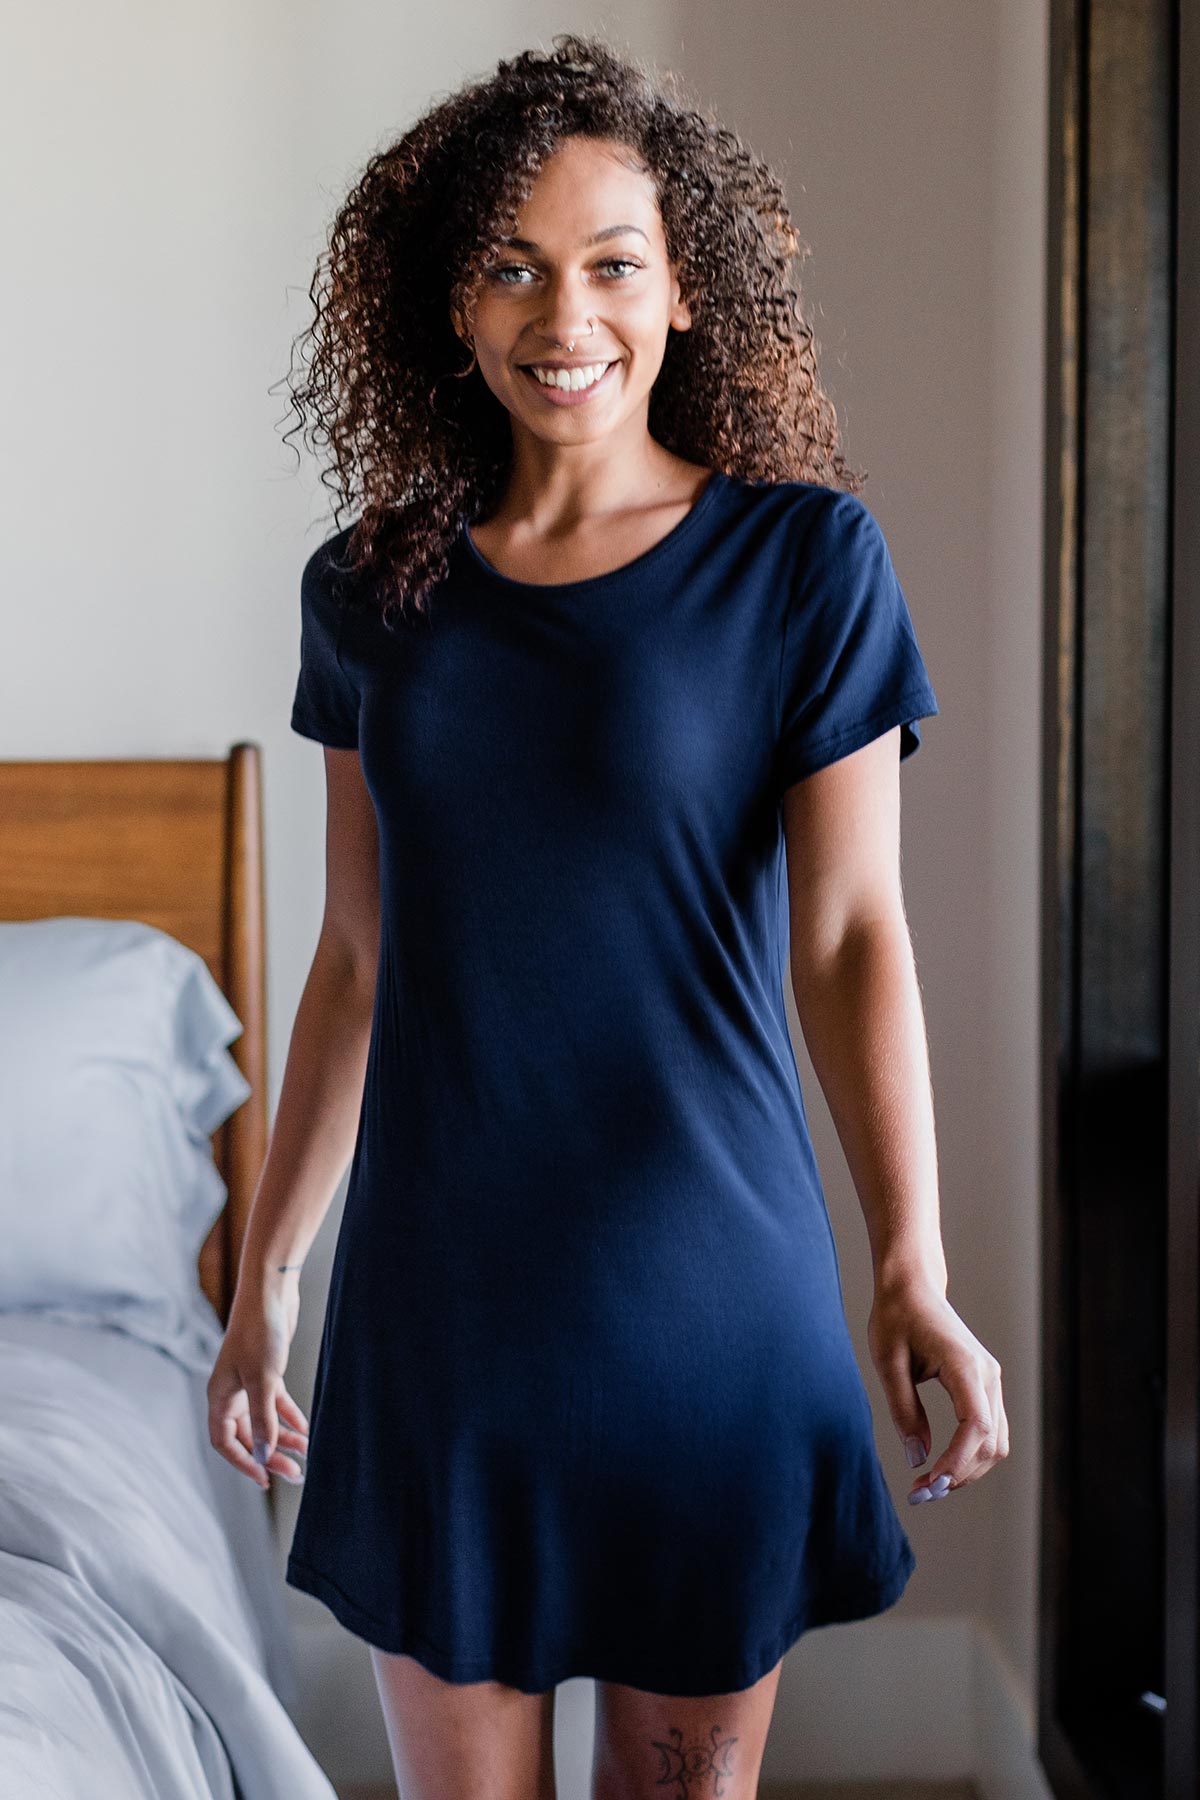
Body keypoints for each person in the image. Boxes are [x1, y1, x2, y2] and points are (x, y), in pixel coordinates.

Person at [208, 32, 1008, 1800]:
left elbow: (853, 933)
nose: (565, 315)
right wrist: (265, 1283)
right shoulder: (369, 591)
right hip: (443, 1310)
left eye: (612, 263)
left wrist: (909, 1267)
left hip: (703, 1299)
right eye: (510, 264)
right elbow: (356, 955)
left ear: (685, 290)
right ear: (451, 304)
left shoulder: (802, 565)